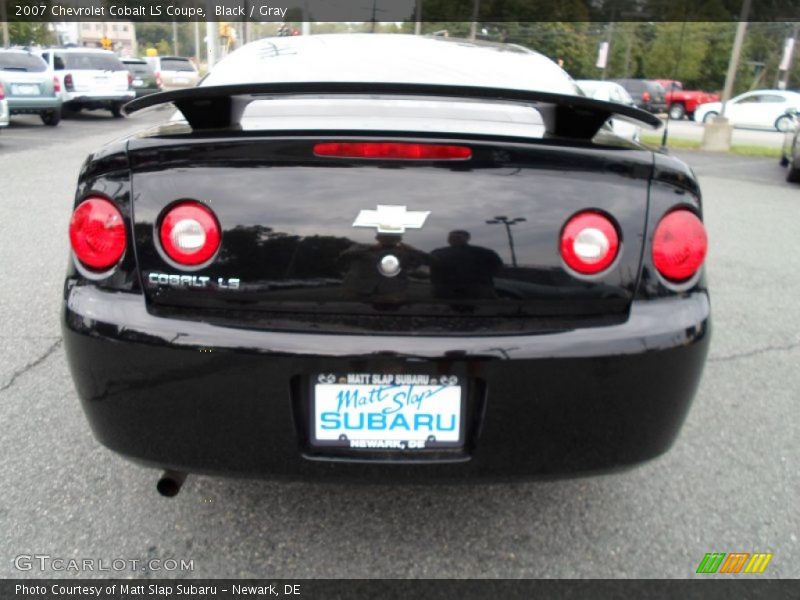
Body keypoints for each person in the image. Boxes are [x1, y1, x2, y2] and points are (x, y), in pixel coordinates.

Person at [430, 230, 502, 299]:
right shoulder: (438, 252)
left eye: (458, 237)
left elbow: (497, 267)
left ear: (467, 239)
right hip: (445, 291)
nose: (453, 239)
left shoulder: (484, 253)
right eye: (451, 237)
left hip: (476, 291)